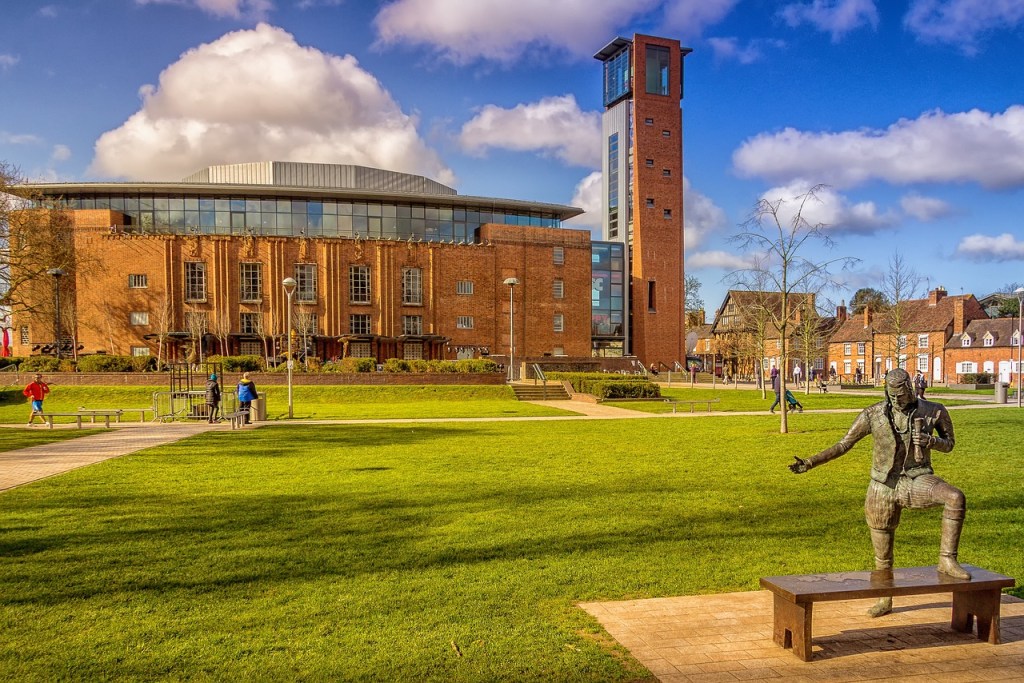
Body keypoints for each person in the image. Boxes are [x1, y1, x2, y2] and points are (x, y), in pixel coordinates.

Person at [788, 368, 968, 618]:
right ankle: (885, 598)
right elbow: (844, 444)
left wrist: (932, 442)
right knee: (882, 554)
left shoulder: (934, 410)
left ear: (911, 389)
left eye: (901, 395)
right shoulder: (873, 414)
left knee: (955, 497)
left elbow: (949, 443)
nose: (896, 401)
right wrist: (810, 462)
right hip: (881, 487)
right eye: (891, 396)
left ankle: (947, 559)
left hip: (916, 479)